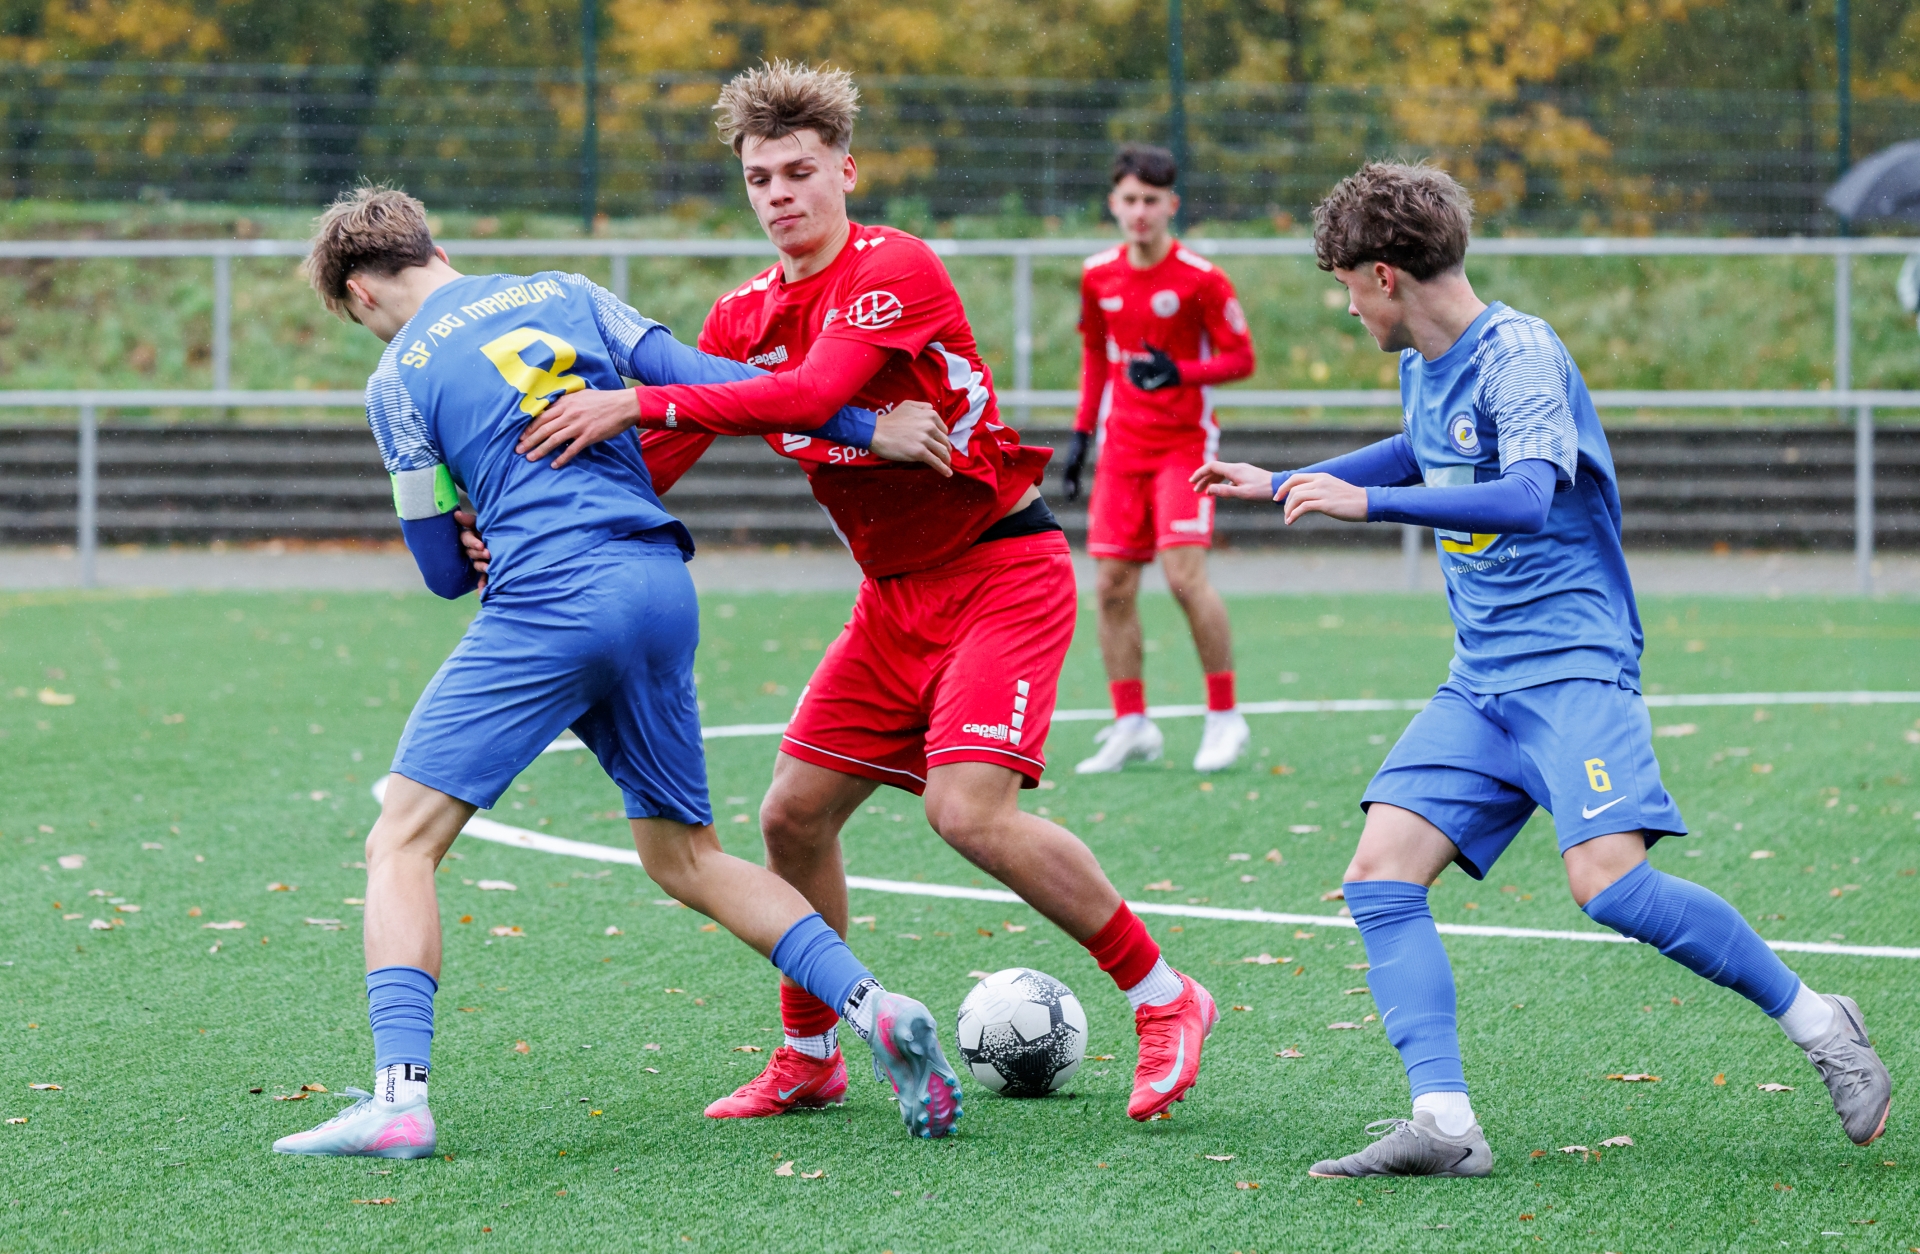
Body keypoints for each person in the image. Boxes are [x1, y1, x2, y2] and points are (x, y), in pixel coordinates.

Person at [496, 62, 1218, 1124]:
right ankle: (812, 1053)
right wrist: (519, 520)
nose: (780, 194)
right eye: (760, 178)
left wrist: (638, 397)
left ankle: (1164, 996)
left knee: (966, 812)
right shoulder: (742, 315)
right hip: (891, 603)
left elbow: (813, 393)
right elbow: (661, 461)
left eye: (800, 171)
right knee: (792, 817)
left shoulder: (893, 267)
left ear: (846, 170)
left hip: (1001, 574)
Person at [1195, 161, 1891, 1177]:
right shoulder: (1423, 360)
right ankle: (1444, 1123)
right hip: (1481, 679)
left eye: (1347, 286)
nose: (1347, 308)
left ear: (1386, 275)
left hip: (1571, 663)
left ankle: (1823, 1023)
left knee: (1609, 885)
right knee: (1380, 877)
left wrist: (1366, 508)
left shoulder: (1519, 355)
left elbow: (1525, 495)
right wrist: (1288, 481)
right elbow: (1420, 448)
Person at [272, 185, 963, 1159]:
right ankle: (874, 1006)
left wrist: (469, 526)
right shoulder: (565, 290)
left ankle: (398, 1102)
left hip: (551, 599)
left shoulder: (397, 378)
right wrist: (862, 426)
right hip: (657, 584)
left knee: (401, 843)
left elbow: (442, 574)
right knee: (687, 857)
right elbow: (704, 377)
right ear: (435, 249)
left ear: (360, 293)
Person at [1065, 144, 1257, 776]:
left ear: (1171, 204)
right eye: (1129, 199)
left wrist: (1181, 372)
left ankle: (1225, 716)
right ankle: (1131, 724)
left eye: (1151, 200)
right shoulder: (1098, 275)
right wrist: (1081, 436)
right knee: (1111, 587)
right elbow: (1096, 357)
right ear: (1113, 204)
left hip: (1183, 447)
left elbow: (1241, 358)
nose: (1140, 211)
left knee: (1182, 577)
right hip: (1122, 448)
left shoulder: (1202, 278)